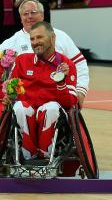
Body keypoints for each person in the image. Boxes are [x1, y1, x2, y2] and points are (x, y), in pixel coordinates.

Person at [0, 0, 90, 106]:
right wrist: (7, 94)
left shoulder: (60, 36)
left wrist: (81, 91)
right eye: (25, 14)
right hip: (25, 103)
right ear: (21, 19)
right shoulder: (10, 43)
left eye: (33, 12)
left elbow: (80, 64)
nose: (29, 16)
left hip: (56, 102)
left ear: (42, 15)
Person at [8, 21, 78, 160]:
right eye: (32, 39)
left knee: (50, 108)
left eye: (40, 37)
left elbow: (70, 103)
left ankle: (45, 153)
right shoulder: (22, 60)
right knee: (20, 107)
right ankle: (29, 152)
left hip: (52, 113)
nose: (35, 42)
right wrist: (8, 95)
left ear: (52, 38)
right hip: (26, 112)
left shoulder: (65, 64)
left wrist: (61, 83)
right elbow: (12, 92)